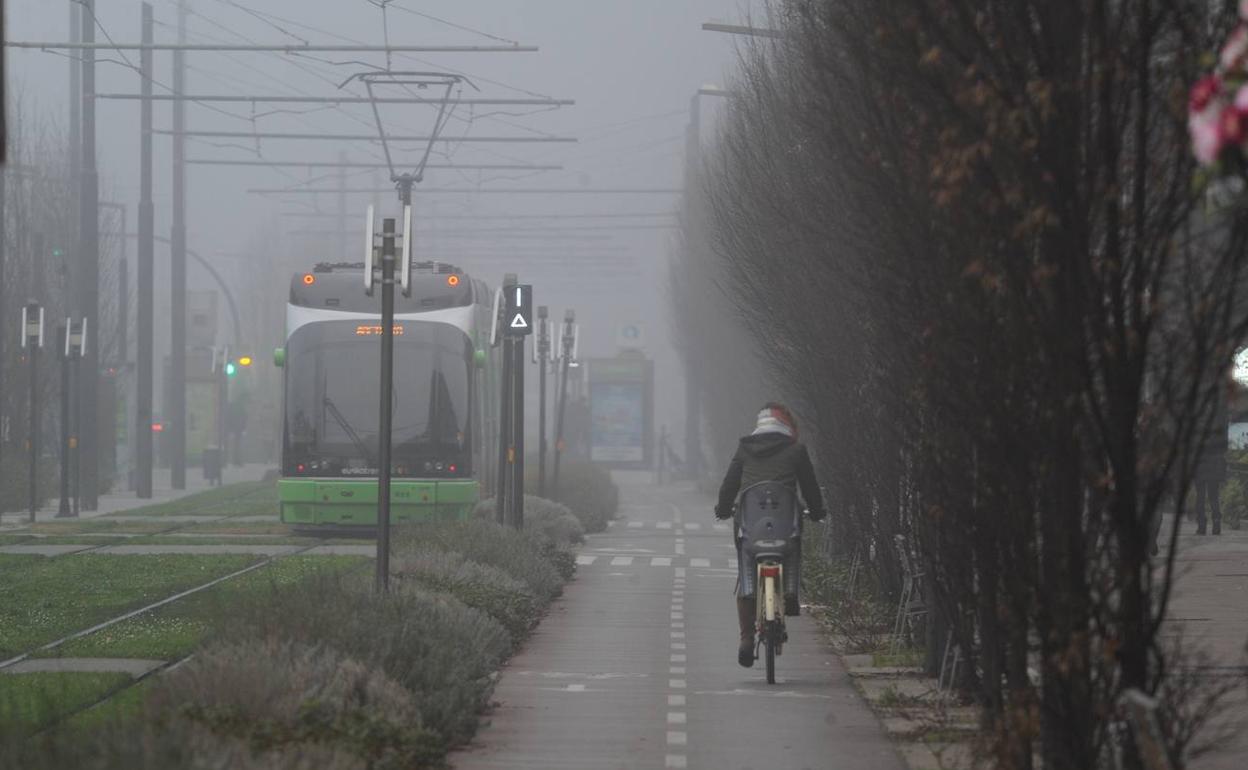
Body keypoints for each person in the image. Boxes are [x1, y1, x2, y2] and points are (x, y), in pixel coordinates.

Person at [715, 403, 825, 667]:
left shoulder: (744, 449)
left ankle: (746, 639)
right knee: (794, 544)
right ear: (787, 428)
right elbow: (809, 486)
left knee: (745, 574)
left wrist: (723, 509)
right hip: (786, 528)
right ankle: (789, 595)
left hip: (750, 529)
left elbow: (729, 485)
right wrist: (817, 511)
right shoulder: (796, 450)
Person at [1196, 384, 1229, 535]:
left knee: (1201, 495)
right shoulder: (1220, 415)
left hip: (1202, 460)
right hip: (1214, 459)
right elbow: (1224, 442)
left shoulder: (1198, 415)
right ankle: (1215, 523)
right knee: (1212, 494)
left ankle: (1202, 525)